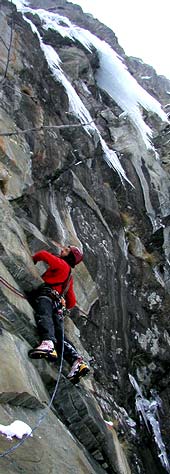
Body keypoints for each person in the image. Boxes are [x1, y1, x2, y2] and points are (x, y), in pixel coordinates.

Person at [28, 245, 90, 382]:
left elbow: (44, 254)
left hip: (46, 297)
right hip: (57, 305)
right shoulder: (69, 277)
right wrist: (63, 303)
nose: (63, 249)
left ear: (69, 257)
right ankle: (76, 360)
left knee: (44, 316)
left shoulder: (62, 264)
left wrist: (32, 260)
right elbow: (72, 301)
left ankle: (48, 344)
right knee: (58, 332)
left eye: (67, 250)